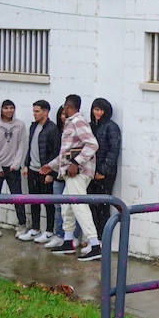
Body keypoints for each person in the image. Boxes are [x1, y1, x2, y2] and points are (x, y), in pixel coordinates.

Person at [44, 94, 102, 261]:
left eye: (65, 108)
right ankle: (68, 241)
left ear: (67, 107)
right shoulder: (72, 123)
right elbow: (65, 153)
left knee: (79, 206)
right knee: (67, 206)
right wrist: (51, 165)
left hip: (79, 172)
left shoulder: (77, 121)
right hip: (71, 172)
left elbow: (92, 144)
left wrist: (76, 163)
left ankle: (94, 244)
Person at [0, 99, 28, 237]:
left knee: (17, 196)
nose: (9, 111)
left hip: (13, 168)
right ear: (1, 109)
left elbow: (22, 145)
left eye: (11, 108)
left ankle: (22, 225)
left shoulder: (20, 125)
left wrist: (16, 163)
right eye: (6, 108)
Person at [20, 100, 59, 242]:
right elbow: (30, 148)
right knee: (33, 200)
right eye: (34, 111)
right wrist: (26, 164)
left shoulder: (52, 129)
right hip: (32, 170)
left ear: (46, 111)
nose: (34, 114)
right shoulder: (33, 126)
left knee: (48, 202)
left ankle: (49, 231)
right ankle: (35, 229)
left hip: (44, 172)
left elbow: (56, 152)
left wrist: (51, 173)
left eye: (37, 111)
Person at [87, 98, 121, 242]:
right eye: (95, 109)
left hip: (104, 175)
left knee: (103, 207)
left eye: (100, 110)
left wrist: (103, 171)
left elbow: (113, 151)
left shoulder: (111, 127)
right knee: (91, 206)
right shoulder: (90, 126)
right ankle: (94, 239)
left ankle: (103, 239)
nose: (98, 113)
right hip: (90, 172)